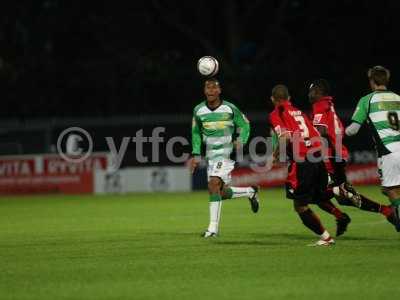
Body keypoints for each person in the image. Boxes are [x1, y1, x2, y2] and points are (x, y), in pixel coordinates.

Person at [309, 79, 399, 231]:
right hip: (336, 154)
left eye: (311, 91)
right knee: (341, 199)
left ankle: (343, 208)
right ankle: (384, 210)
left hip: (329, 156)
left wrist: (305, 141)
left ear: (318, 92)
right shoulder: (328, 105)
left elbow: (321, 131)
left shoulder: (319, 106)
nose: (309, 94)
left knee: (315, 193)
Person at [189, 78, 259, 238]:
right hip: (211, 156)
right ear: (204, 91)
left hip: (226, 154)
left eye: (214, 88)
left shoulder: (229, 108)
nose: (211, 90)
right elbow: (195, 133)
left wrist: (242, 140)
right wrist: (195, 154)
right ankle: (250, 191)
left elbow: (245, 124)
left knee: (213, 184)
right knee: (219, 191)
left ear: (219, 91)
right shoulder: (198, 110)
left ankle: (213, 229)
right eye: (208, 88)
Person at [269, 84, 334, 246]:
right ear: (289, 98)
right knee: (317, 197)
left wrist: (275, 155)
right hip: (318, 158)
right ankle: (339, 195)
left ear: (272, 99)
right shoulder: (300, 112)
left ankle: (326, 238)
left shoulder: (277, 113)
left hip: (303, 161)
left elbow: (284, 138)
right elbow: (317, 134)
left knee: (300, 205)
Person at [345, 66, 400, 230]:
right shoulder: (398, 98)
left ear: (371, 81)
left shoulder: (367, 100)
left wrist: (340, 132)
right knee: (390, 188)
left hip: (389, 150)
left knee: (390, 189)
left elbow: (353, 130)